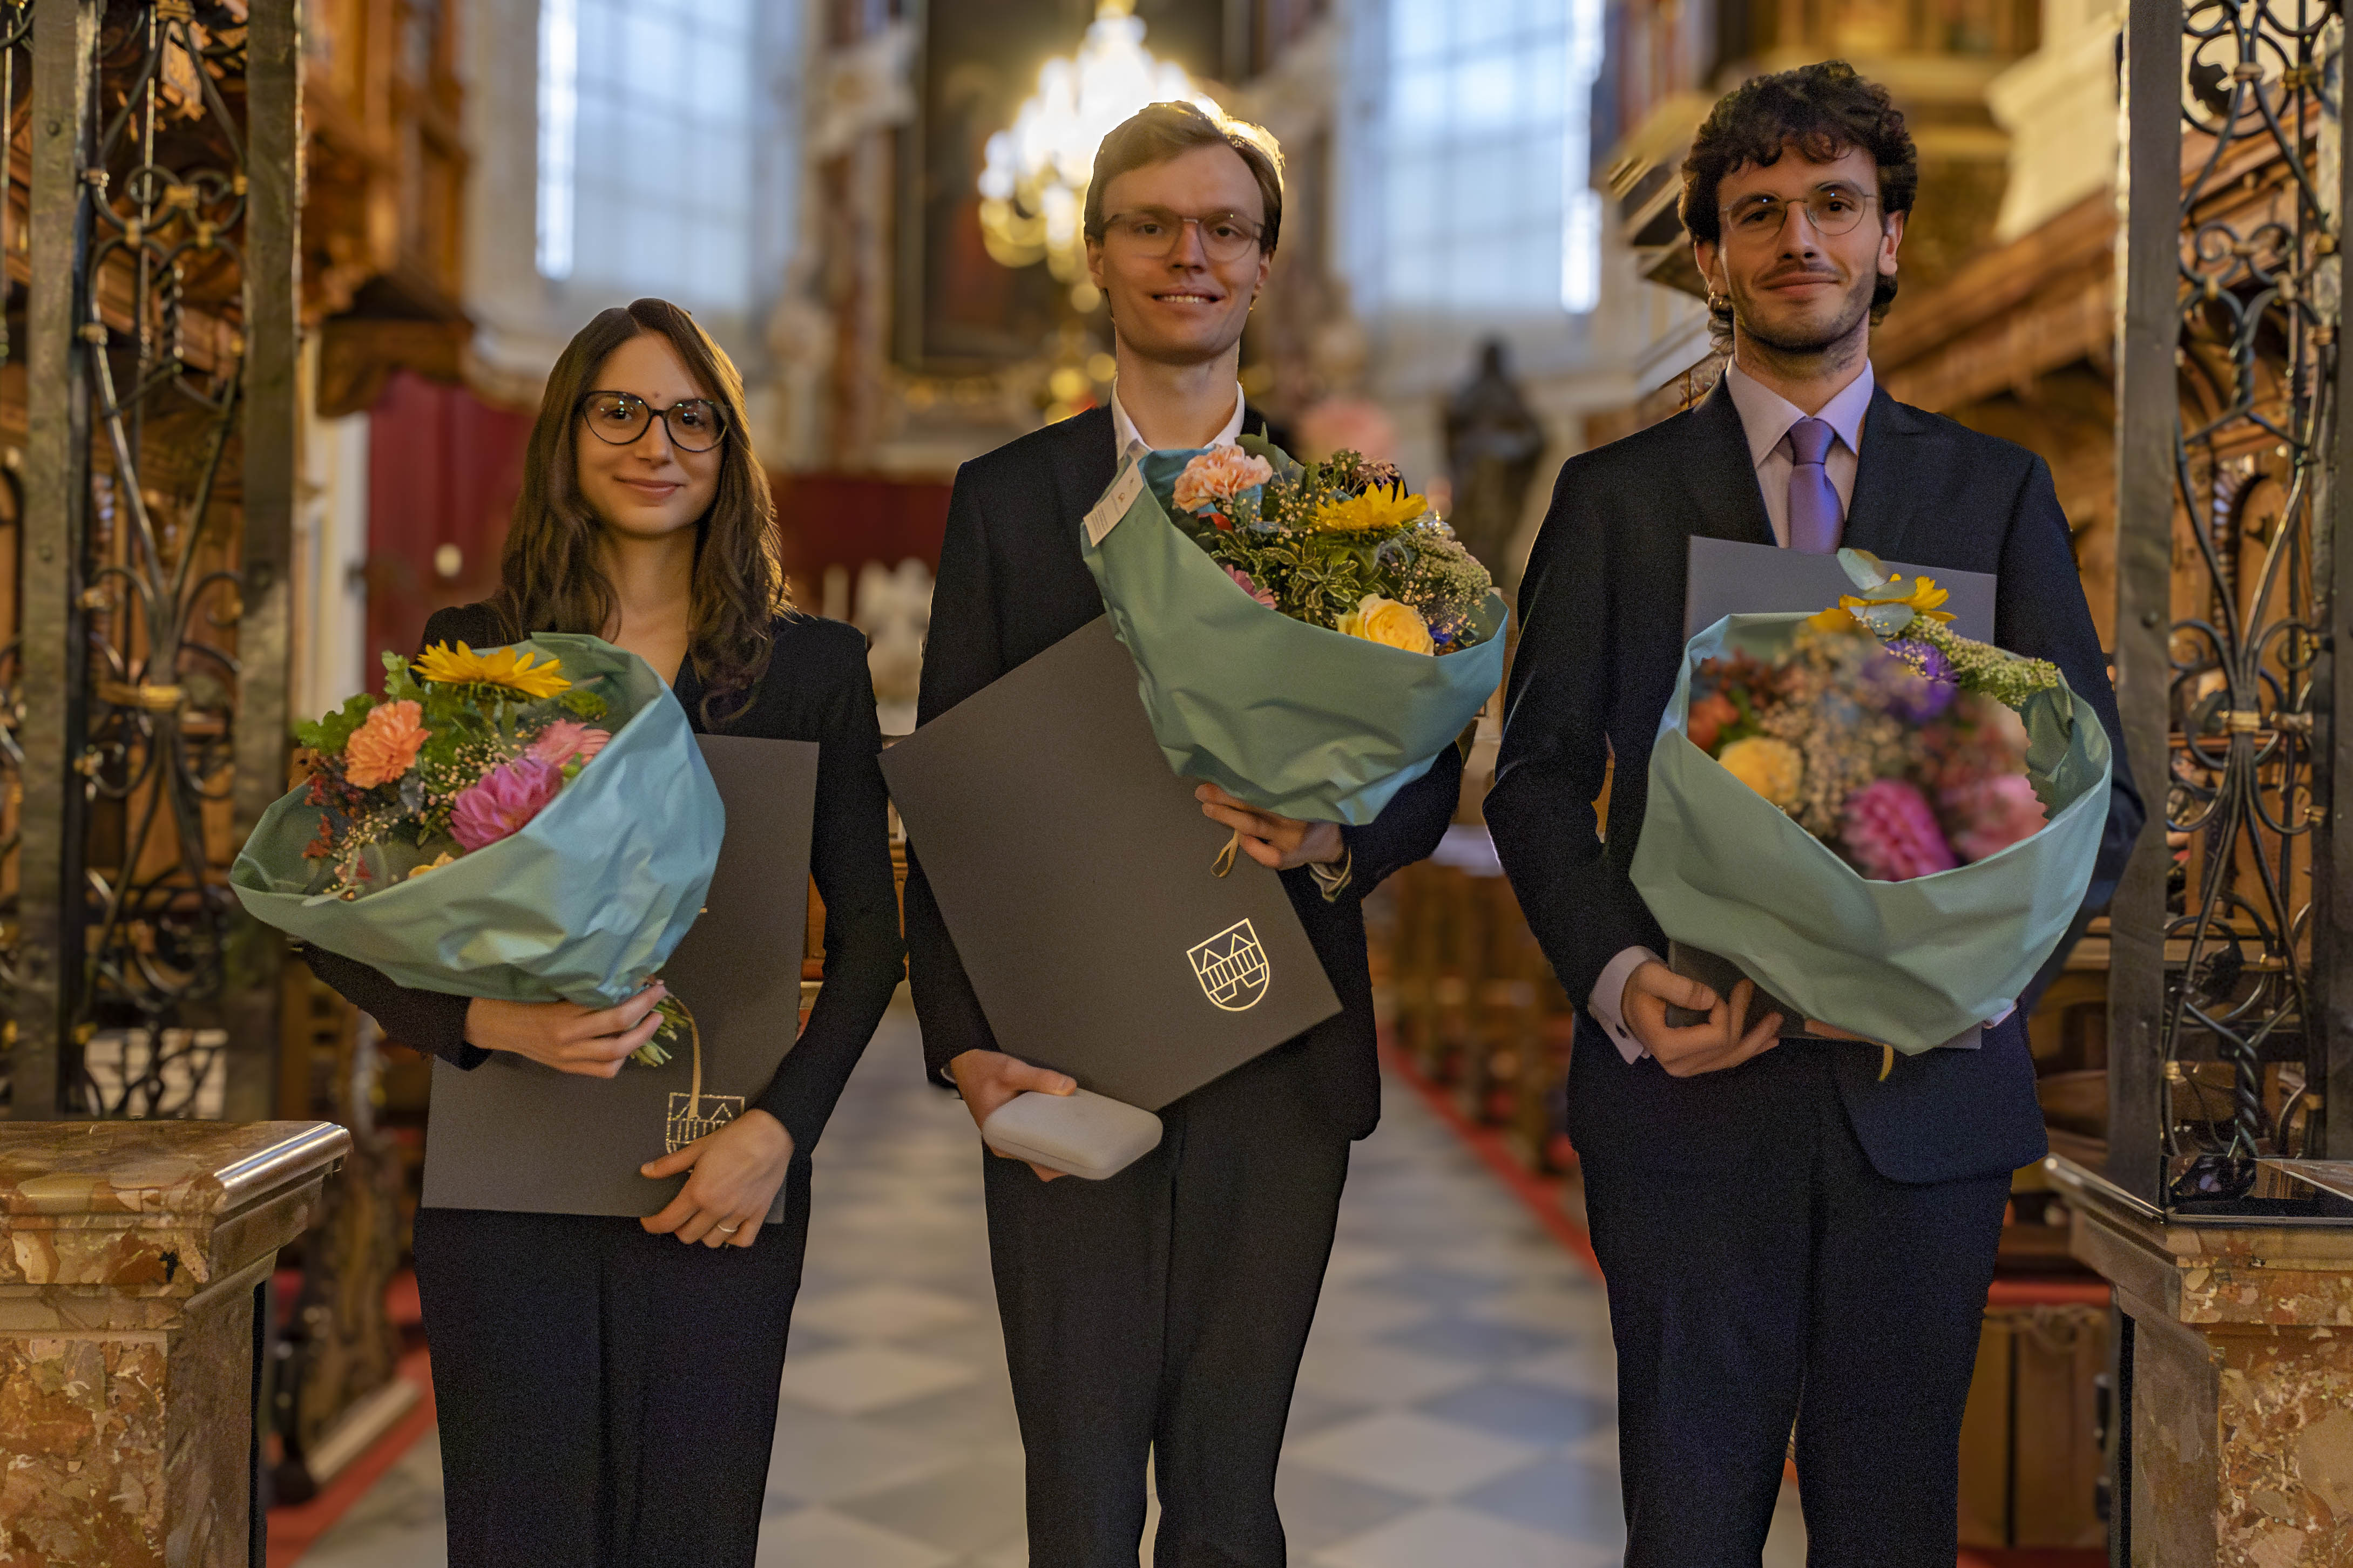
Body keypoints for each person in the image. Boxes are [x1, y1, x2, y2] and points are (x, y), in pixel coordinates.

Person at [1482, 63, 2144, 1567]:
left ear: (1887, 238)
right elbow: (1536, 777)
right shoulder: (1613, 499)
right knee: (1687, 1526)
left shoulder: (1992, 493)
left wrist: (1975, 982)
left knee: (1891, 1528)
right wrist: (1617, 981)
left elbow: (2097, 794)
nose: (1799, 238)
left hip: (1922, 1106)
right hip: (1689, 1099)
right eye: (1759, 210)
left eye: (1834, 205)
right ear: (1710, 257)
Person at [902, 102, 1461, 1567]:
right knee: (1079, 1495)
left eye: (1223, 227)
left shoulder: (1336, 503)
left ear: (1264, 264)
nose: (1187, 255)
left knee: (1227, 1493)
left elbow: (1431, 751)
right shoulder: (1006, 502)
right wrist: (966, 1050)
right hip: (1067, 1047)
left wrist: (1334, 834)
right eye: (1149, 225)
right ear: (1094, 254)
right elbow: (948, 793)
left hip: (1278, 1047)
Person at [301, 298, 904, 1567]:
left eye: (692, 418)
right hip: (507, 1189)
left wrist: (779, 1135)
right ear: (568, 433)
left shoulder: (810, 671)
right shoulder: (477, 655)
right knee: (518, 1539)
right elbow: (330, 913)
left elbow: (871, 944)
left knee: (691, 1537)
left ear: (728, 450)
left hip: (714, 1183)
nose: (656, 443)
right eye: (620, 410)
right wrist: (487, 1019)